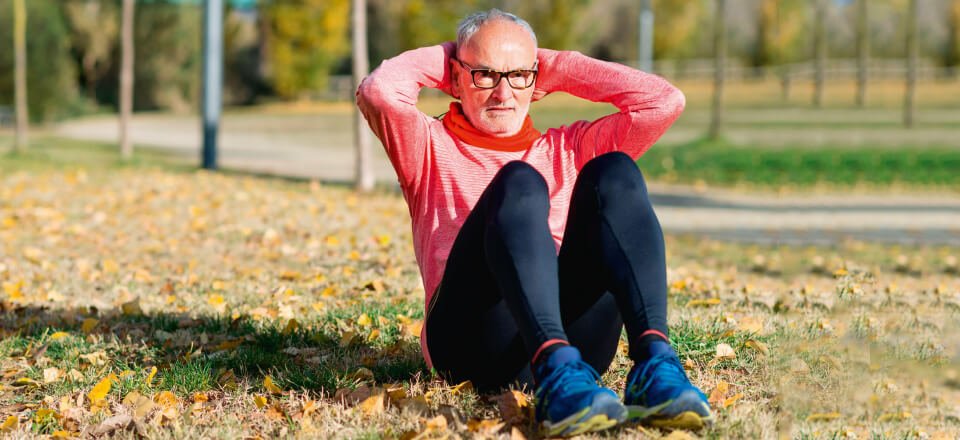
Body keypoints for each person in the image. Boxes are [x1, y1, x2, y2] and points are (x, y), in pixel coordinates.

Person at [356, 8, 712, 437]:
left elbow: (662, 102)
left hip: (578, 348)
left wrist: (557, 67)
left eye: (520, 75)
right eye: (484, 75)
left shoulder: (569, 147)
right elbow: (379, 92)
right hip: (471, 345)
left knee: (614, 171)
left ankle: (655, 366)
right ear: (455, 78)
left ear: (536, 80)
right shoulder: (427, 145)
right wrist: (453, 57)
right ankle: (556, 368)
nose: (503, 92)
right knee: (519, 182)